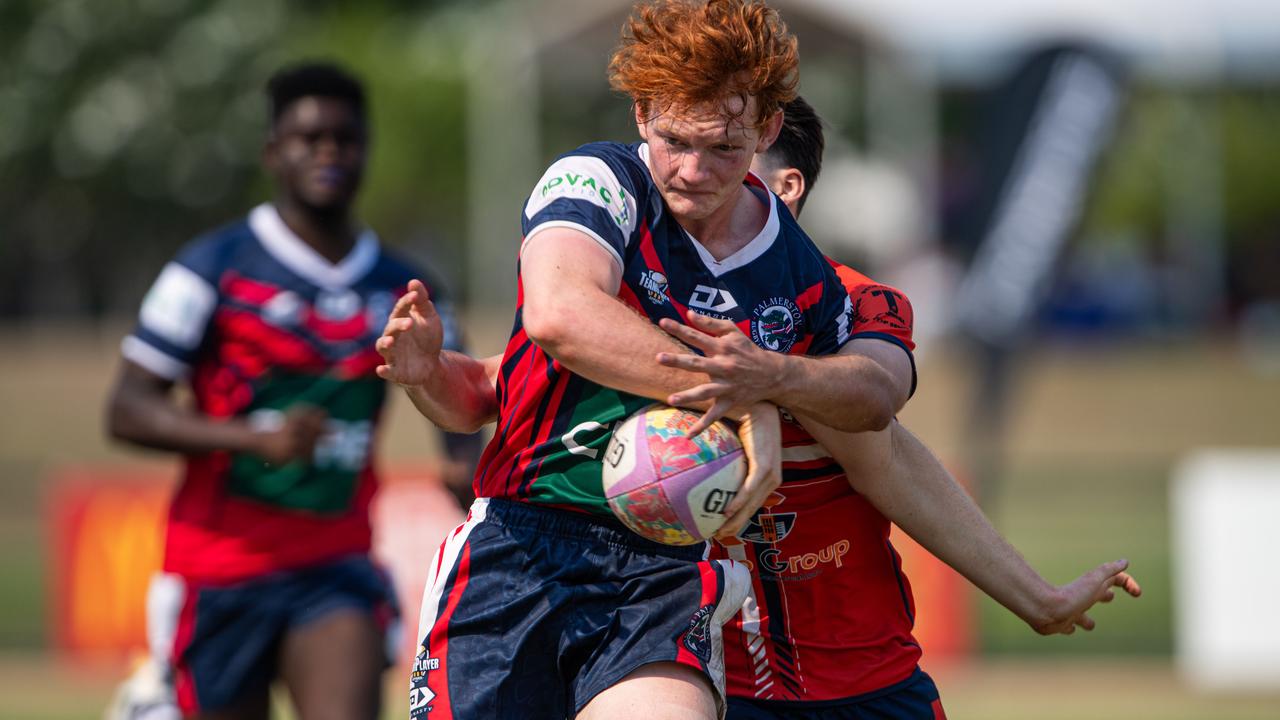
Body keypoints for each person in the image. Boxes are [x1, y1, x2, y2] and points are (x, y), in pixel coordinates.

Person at [375, 3, 916, 718]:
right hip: (519, 547)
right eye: (674, 140)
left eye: (723, 147)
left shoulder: (793, 264)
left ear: (767, 129)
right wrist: (737, 388)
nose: (693, 171)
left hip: (662, 575)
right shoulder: (596, 182)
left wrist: (779, 378)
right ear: (641, 113)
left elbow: (874, 399)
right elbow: (558, 318)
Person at [653, 95, 1140, 719]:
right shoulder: (648, 299)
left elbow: (882, 429)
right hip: (711, 685)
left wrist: (1037, 600)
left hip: (872, 682)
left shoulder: (860, 302)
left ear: (786, 186)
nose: (697, 177)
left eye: (730, 157)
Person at [104, 61, 478, 720]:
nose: (328, 152)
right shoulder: (209, 270)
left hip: (336, 564)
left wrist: (466, 467)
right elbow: (126, 409)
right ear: (274, 152)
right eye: (309, 138)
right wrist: (255, 438)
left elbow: (462, 404)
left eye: (345, 138)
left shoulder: (410, 288)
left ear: (365, 149)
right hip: (218, 567)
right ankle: (155, 695)